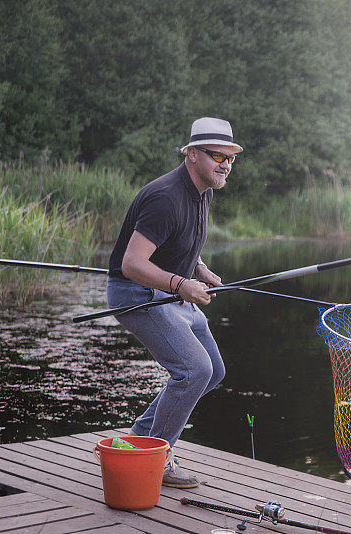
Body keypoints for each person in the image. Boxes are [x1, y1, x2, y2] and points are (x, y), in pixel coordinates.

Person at [106, 117, 242, 488]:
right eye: (217, 155)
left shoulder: (204, 191)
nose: (225, 164)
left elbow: (180, 242)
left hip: (171, 292)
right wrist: (182, 284)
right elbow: (131, 264)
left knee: (212, 371)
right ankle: (156, 459)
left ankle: (140, 439)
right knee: (193, 371)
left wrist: (199, 268)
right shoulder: (165, 197)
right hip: (136, 294)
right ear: (192, 154)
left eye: (231, 158)